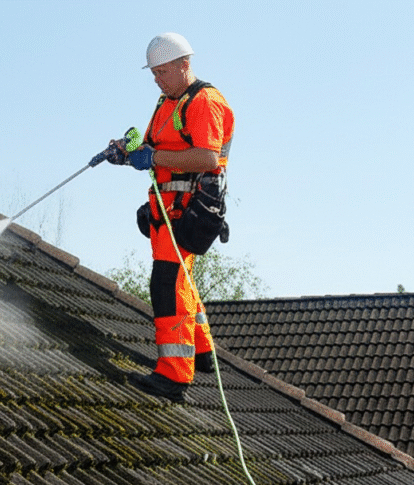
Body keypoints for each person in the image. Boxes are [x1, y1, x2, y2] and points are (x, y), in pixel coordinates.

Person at [105, 33, 235, 403]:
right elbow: (154, 147)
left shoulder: (204, 102)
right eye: (154, 73)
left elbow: (207, 158)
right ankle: (204, 353)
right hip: (166, 207)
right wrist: (126, 151)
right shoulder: (167, 102)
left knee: (168, 285)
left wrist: (153, 159)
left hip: (188, 209)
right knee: (182, 280)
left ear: (184, 65)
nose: (157, 79)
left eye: (163, 71)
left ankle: (175, 375)